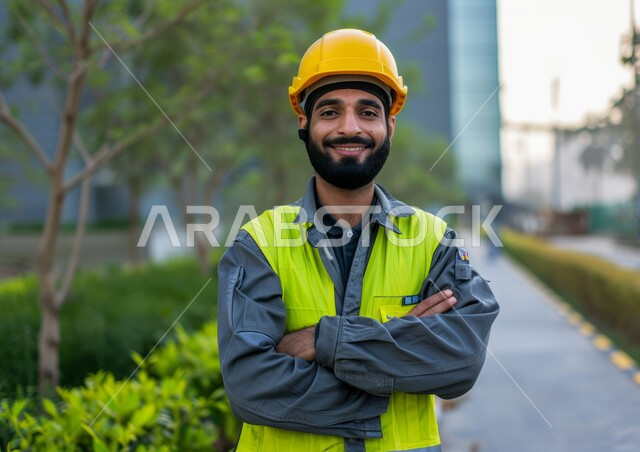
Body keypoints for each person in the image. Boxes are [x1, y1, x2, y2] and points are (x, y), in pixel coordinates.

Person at [217, 28, 499, 452]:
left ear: (390, 124)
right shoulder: (259, 243)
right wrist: (401, 354)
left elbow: (462, 360)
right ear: (304, 122)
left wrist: (322, 341)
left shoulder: (432, 240)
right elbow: (250, 385)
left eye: (367, 112)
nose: (350, 128)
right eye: (330, 111)